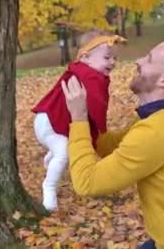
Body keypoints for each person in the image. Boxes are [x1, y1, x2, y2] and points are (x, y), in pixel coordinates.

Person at [61, 40, 164, 248]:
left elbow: (87, 182)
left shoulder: (156, 133)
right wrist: (89, 110)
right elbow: (108, 145)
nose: (138, 61)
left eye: (149, 59)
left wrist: (78, 118)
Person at [31, 30, 126, 211]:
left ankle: (52, 154)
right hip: (50, 122)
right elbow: (97, 104)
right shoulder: (90, 75)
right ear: (85, 57)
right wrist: (101, 130)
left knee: (65, 145)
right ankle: (49, 187)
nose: (112, 62)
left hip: (52, 120)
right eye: (107, 58)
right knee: (64, 151)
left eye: (115, 58)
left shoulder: (86, 72)